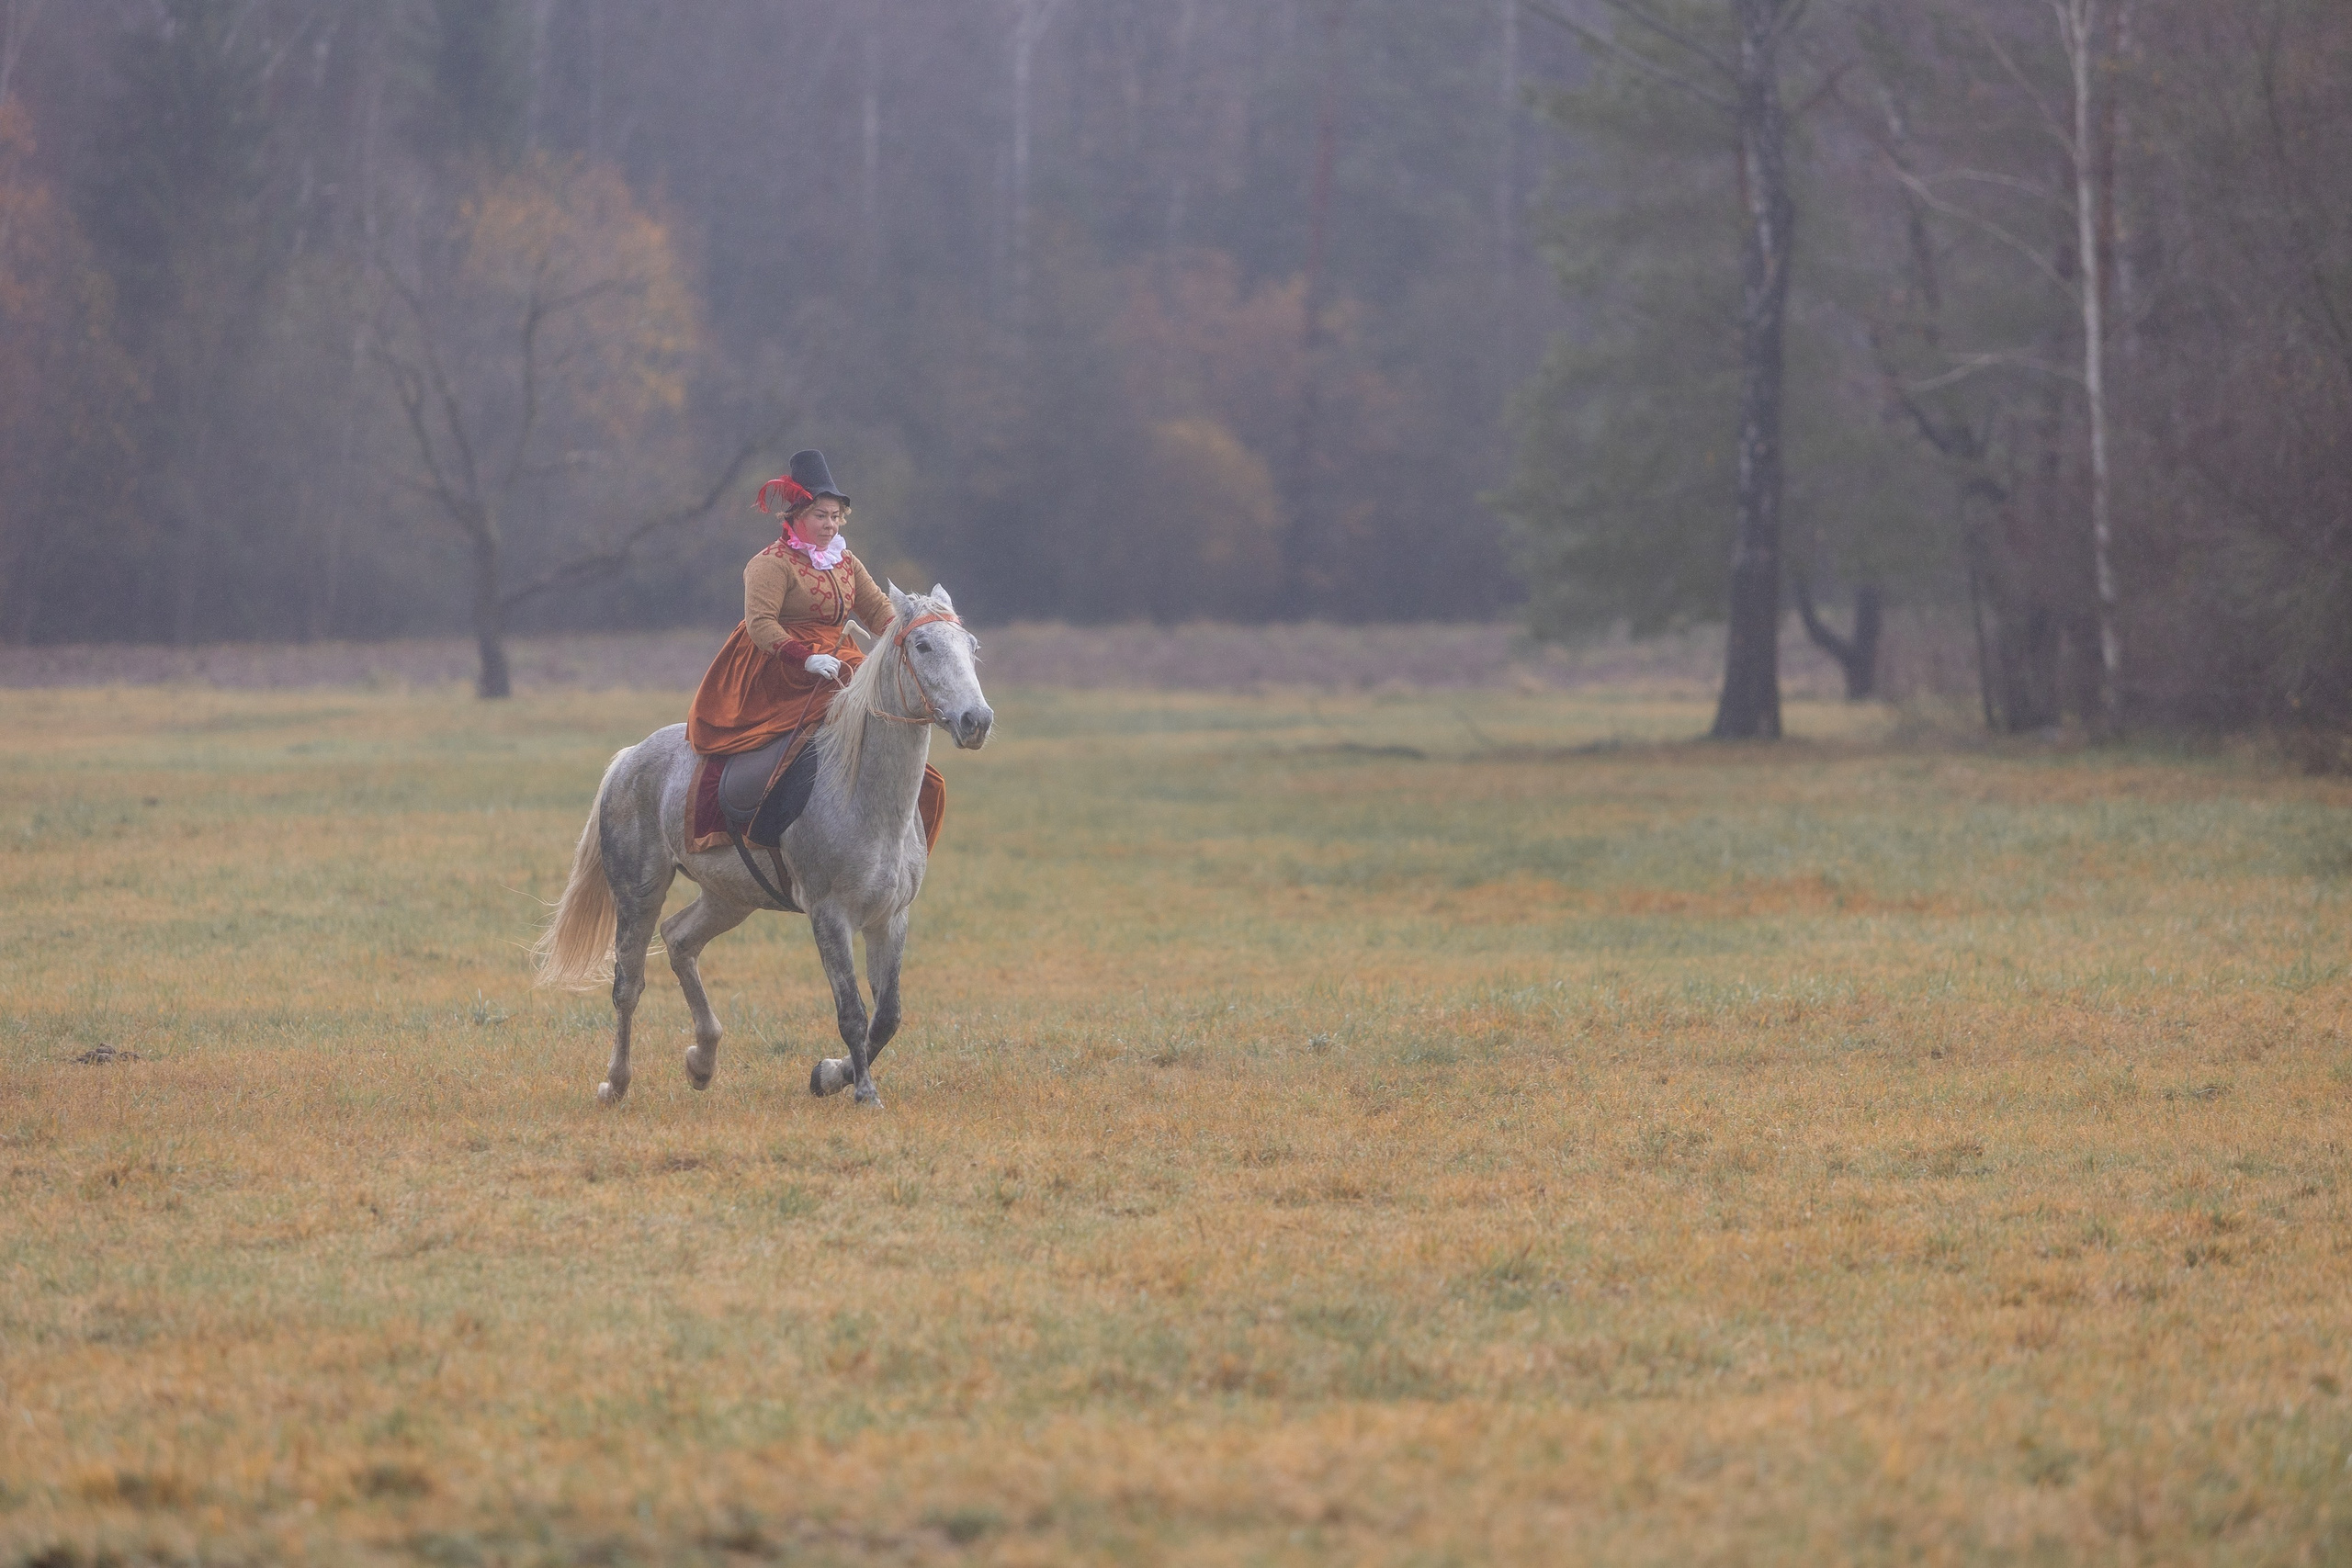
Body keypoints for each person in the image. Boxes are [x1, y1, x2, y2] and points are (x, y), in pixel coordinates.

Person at [686, 449, 895, 760]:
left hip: (838, 655)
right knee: (853, 679)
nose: (831, 525)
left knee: (881, 684)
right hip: (781, 665)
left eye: (835, 517)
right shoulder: (770, 563)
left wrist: (909, 636)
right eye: (821, 516)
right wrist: (806, 659)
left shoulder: (846, 561)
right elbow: (761, 624)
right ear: (798, 515)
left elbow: (877, 609)